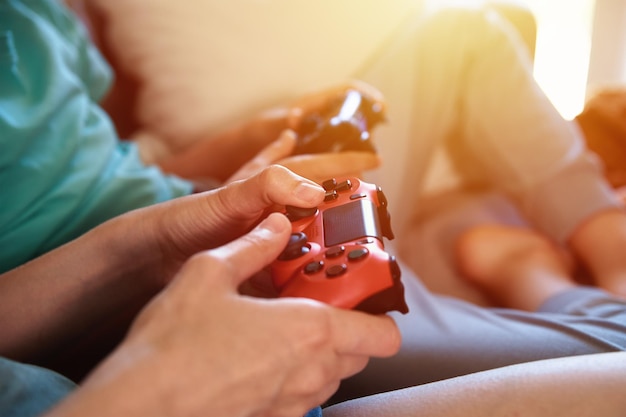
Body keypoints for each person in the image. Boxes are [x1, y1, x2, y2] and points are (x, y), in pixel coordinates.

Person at [3, 0, 626, 413]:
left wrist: (235, 150)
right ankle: (526, 269)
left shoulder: (32, 13)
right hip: (153, 309)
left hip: (187, 217)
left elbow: (113, 162)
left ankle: (607, 240)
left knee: (460, 29)